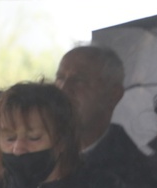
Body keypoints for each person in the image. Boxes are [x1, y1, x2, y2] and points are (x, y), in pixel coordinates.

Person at [55, 45, 146, 178]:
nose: (64, 88)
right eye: (60, 78)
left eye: (79, 80)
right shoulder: (33, 154)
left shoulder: (135, 174)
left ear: (113, 94)